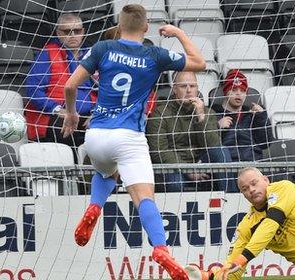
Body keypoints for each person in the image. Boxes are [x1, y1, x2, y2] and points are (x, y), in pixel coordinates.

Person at [60, 4, 206, 280]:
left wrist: (71, 113)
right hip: (129, 138)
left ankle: (94, 206)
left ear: (119, 24)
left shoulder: (102, 48)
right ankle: (161, 248)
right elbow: (199, 63)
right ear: (146, 26)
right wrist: (177, 33)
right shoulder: (155, 54)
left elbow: (69, 86)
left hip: (96, 136)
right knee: (144, 197)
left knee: (106, 171)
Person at [147, 71, 238, 192]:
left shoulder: (207, 112)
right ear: (174, 89)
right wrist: (188, 170)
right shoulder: (159, 114)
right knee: (175, 181)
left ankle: (230, 202)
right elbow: (158, 151)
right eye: (183, 86)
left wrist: (200, 117)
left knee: (221, 151)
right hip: (174, 167)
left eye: (192, 86)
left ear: (197, 89)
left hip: (201, 163)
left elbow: (213, 145)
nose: (189, 90)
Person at [25, 13, 96, 148]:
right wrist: (58, 110)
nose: (73, 35)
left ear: (83, 32)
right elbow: (33, 91)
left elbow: (106, 90)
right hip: (57, 116)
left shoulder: (93, 54)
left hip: (89, 115)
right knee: (65, 129)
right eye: (67, 31)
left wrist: (97, 113)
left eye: (77, 31)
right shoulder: (47, 54)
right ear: (58, 33)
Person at [211, 70, 273, 162]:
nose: (239, 93)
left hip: (253, 166)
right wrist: (217, 126)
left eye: (243, 90)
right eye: (234, 89)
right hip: (226, 167)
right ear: (226, 91)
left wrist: (261, 116)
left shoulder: (252, 115)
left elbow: (265, 143)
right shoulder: (213, 114)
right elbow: (206, 145)